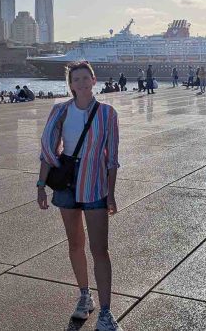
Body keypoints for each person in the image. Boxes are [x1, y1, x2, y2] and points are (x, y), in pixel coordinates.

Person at [36, 61, 122, 331]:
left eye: (86, 78)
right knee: (75, 244)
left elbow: (112, 158)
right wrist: (40, 184)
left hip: (95, 186)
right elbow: (49, 150)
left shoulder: (108, 114)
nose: (82, 83)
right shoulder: (60, 111)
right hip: (67, 187)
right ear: (70, 84)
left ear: (94, 81)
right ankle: (85, 296)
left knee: (100, 250)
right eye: (77, 79)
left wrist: (111, 194)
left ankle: (106, 313)